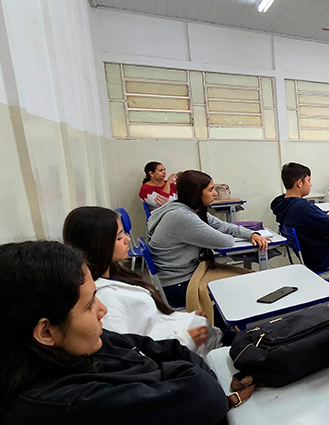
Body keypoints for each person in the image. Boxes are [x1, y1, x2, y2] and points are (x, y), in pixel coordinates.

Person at [0, 241, 228, 424]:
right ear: (46, 332)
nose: (103, 310)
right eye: (89, 305)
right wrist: (170, 372)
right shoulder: (67, 405)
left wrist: (169, 374)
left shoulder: (82, 345)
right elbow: (206, 395)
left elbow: (170, 349)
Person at [63, 206, 222, 358]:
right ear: (98, 245)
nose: (127, 240)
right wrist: (185, 340)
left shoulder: (116, 272)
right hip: (175, 353)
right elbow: (129, 354)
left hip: (178, 338)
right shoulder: (103, 301)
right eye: (119, 237)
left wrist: (180, 318)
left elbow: (147, 319)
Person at [147, 170, 268, 308]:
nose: (215, 193)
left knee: (249, 277)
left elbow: (223, 226)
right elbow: (226, 241)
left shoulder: (189, 208)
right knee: (247, 283)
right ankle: (224, 320)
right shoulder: (182, 216)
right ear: (195, 194)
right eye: (210, 190)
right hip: (178, 285)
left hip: (186, 273)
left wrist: (251, 234)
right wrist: (213, 234)